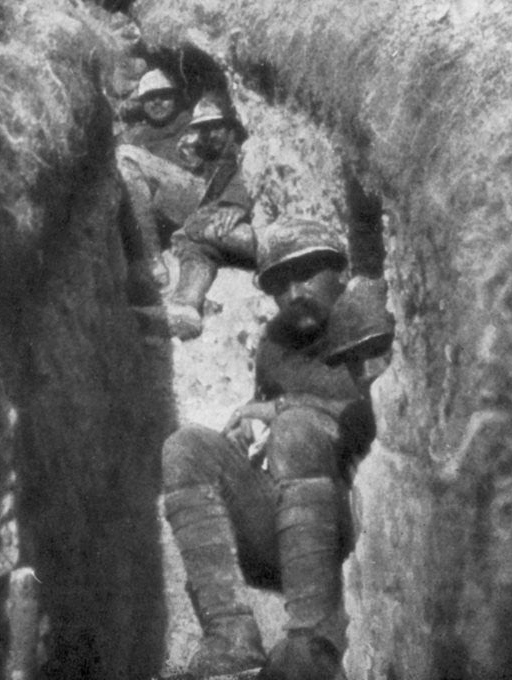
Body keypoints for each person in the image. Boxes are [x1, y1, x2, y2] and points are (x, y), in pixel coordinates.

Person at [161, 217, 394, 679]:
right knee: (186, 447)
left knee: (295, 428)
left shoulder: (369, 311)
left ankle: (313, 639)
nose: (294, 293)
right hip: (298, 526)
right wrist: (250, 426)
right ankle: (230, 636)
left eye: (307, 274)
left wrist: (286, 409)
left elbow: (382, 409)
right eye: (280, 285)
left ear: (339, 271)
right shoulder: (275, 344)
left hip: (368, 524)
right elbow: (271, 421)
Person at [117, 91, 255, 339]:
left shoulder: (244, 150)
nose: (208, 134)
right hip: (205, 219)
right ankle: (185, 309)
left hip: (241, 229)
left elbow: (251, 171)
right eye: (203, 128)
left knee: (195, 229)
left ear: (232, 128)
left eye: (216, 127)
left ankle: (154, 265)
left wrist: (235, 202)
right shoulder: (199, 148)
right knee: (190, 241)